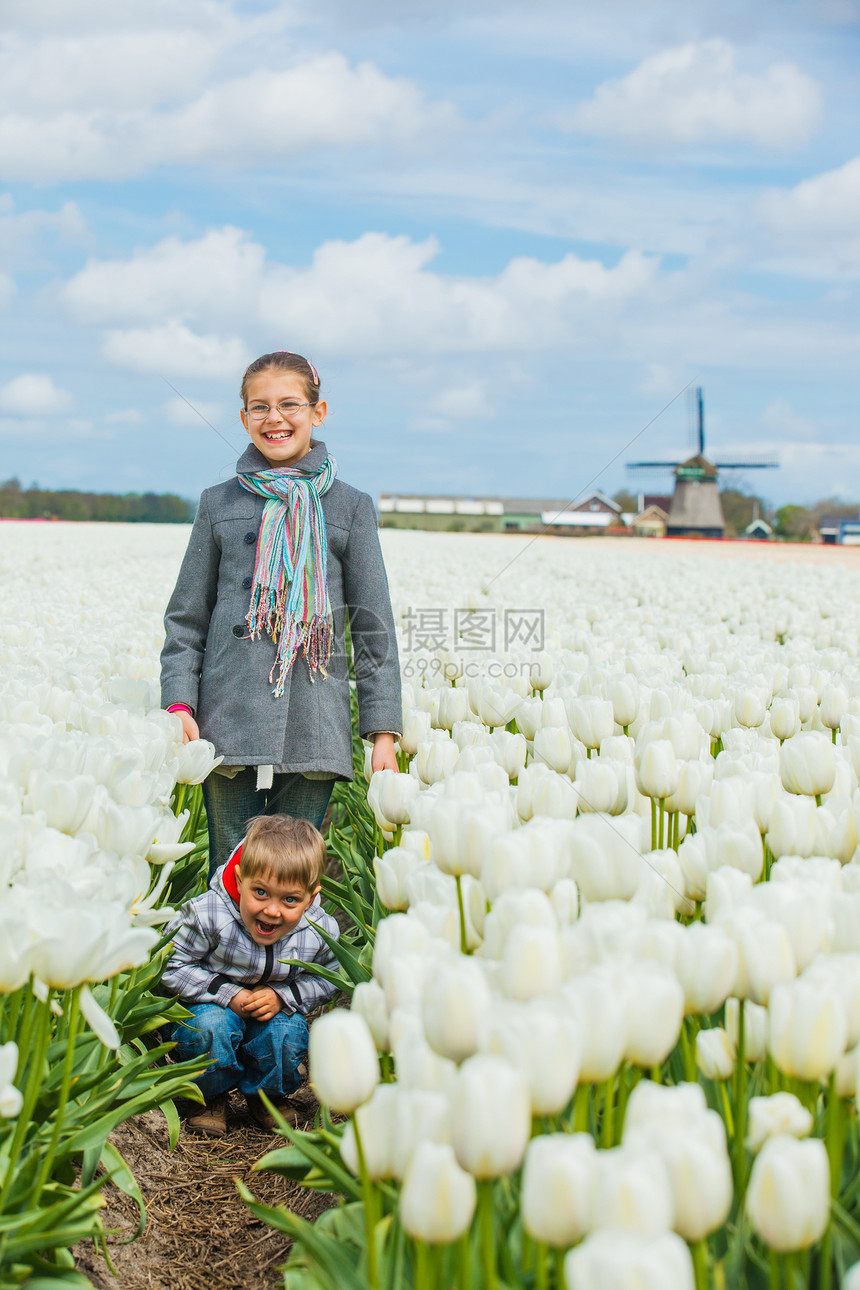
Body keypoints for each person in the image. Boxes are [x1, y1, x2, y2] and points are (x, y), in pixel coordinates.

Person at [160, 350, 402, 877]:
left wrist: (383, 732)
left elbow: (372, 627)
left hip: (315, 713)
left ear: (318, 412)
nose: (275, 418)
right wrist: (179, 703)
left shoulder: (349, 506)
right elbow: (186, 619)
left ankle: (291, 962)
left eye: (290, 404)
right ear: (244, 418)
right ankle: (228, 958)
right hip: (227, 711)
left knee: (296, 868)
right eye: (259, 407)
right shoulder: (217, 502)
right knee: (231, 866)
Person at [163, 813, 340, 1136]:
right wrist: (228, 994)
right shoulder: (208, 914)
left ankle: (266, 1095)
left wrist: (282, 996)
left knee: (287, 1032)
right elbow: (171, 964)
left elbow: (329, 977)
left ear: (311, 897)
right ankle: (209, 1096)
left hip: (272, 1009)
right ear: (240, 879)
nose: (272, 911)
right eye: (260, 893)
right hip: (212, 1003)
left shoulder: (319, 929)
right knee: (208, 1027)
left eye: (290, 900)